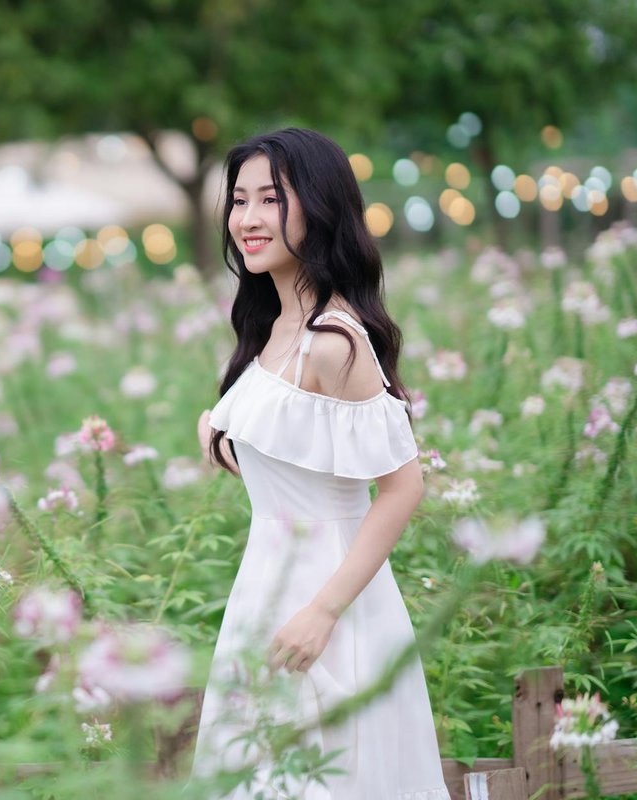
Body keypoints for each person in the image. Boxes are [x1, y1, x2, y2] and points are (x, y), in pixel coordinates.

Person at [188, 128, 450, 799]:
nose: (247, 218)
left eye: (270, 199)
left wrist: (323, 612)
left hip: (330, 595)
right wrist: (222, 440)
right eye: (239, 200)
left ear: (319, 206)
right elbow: (299, 469)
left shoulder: (336, 340)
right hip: (264, 585)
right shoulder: (272, 328)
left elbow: (401, 486)